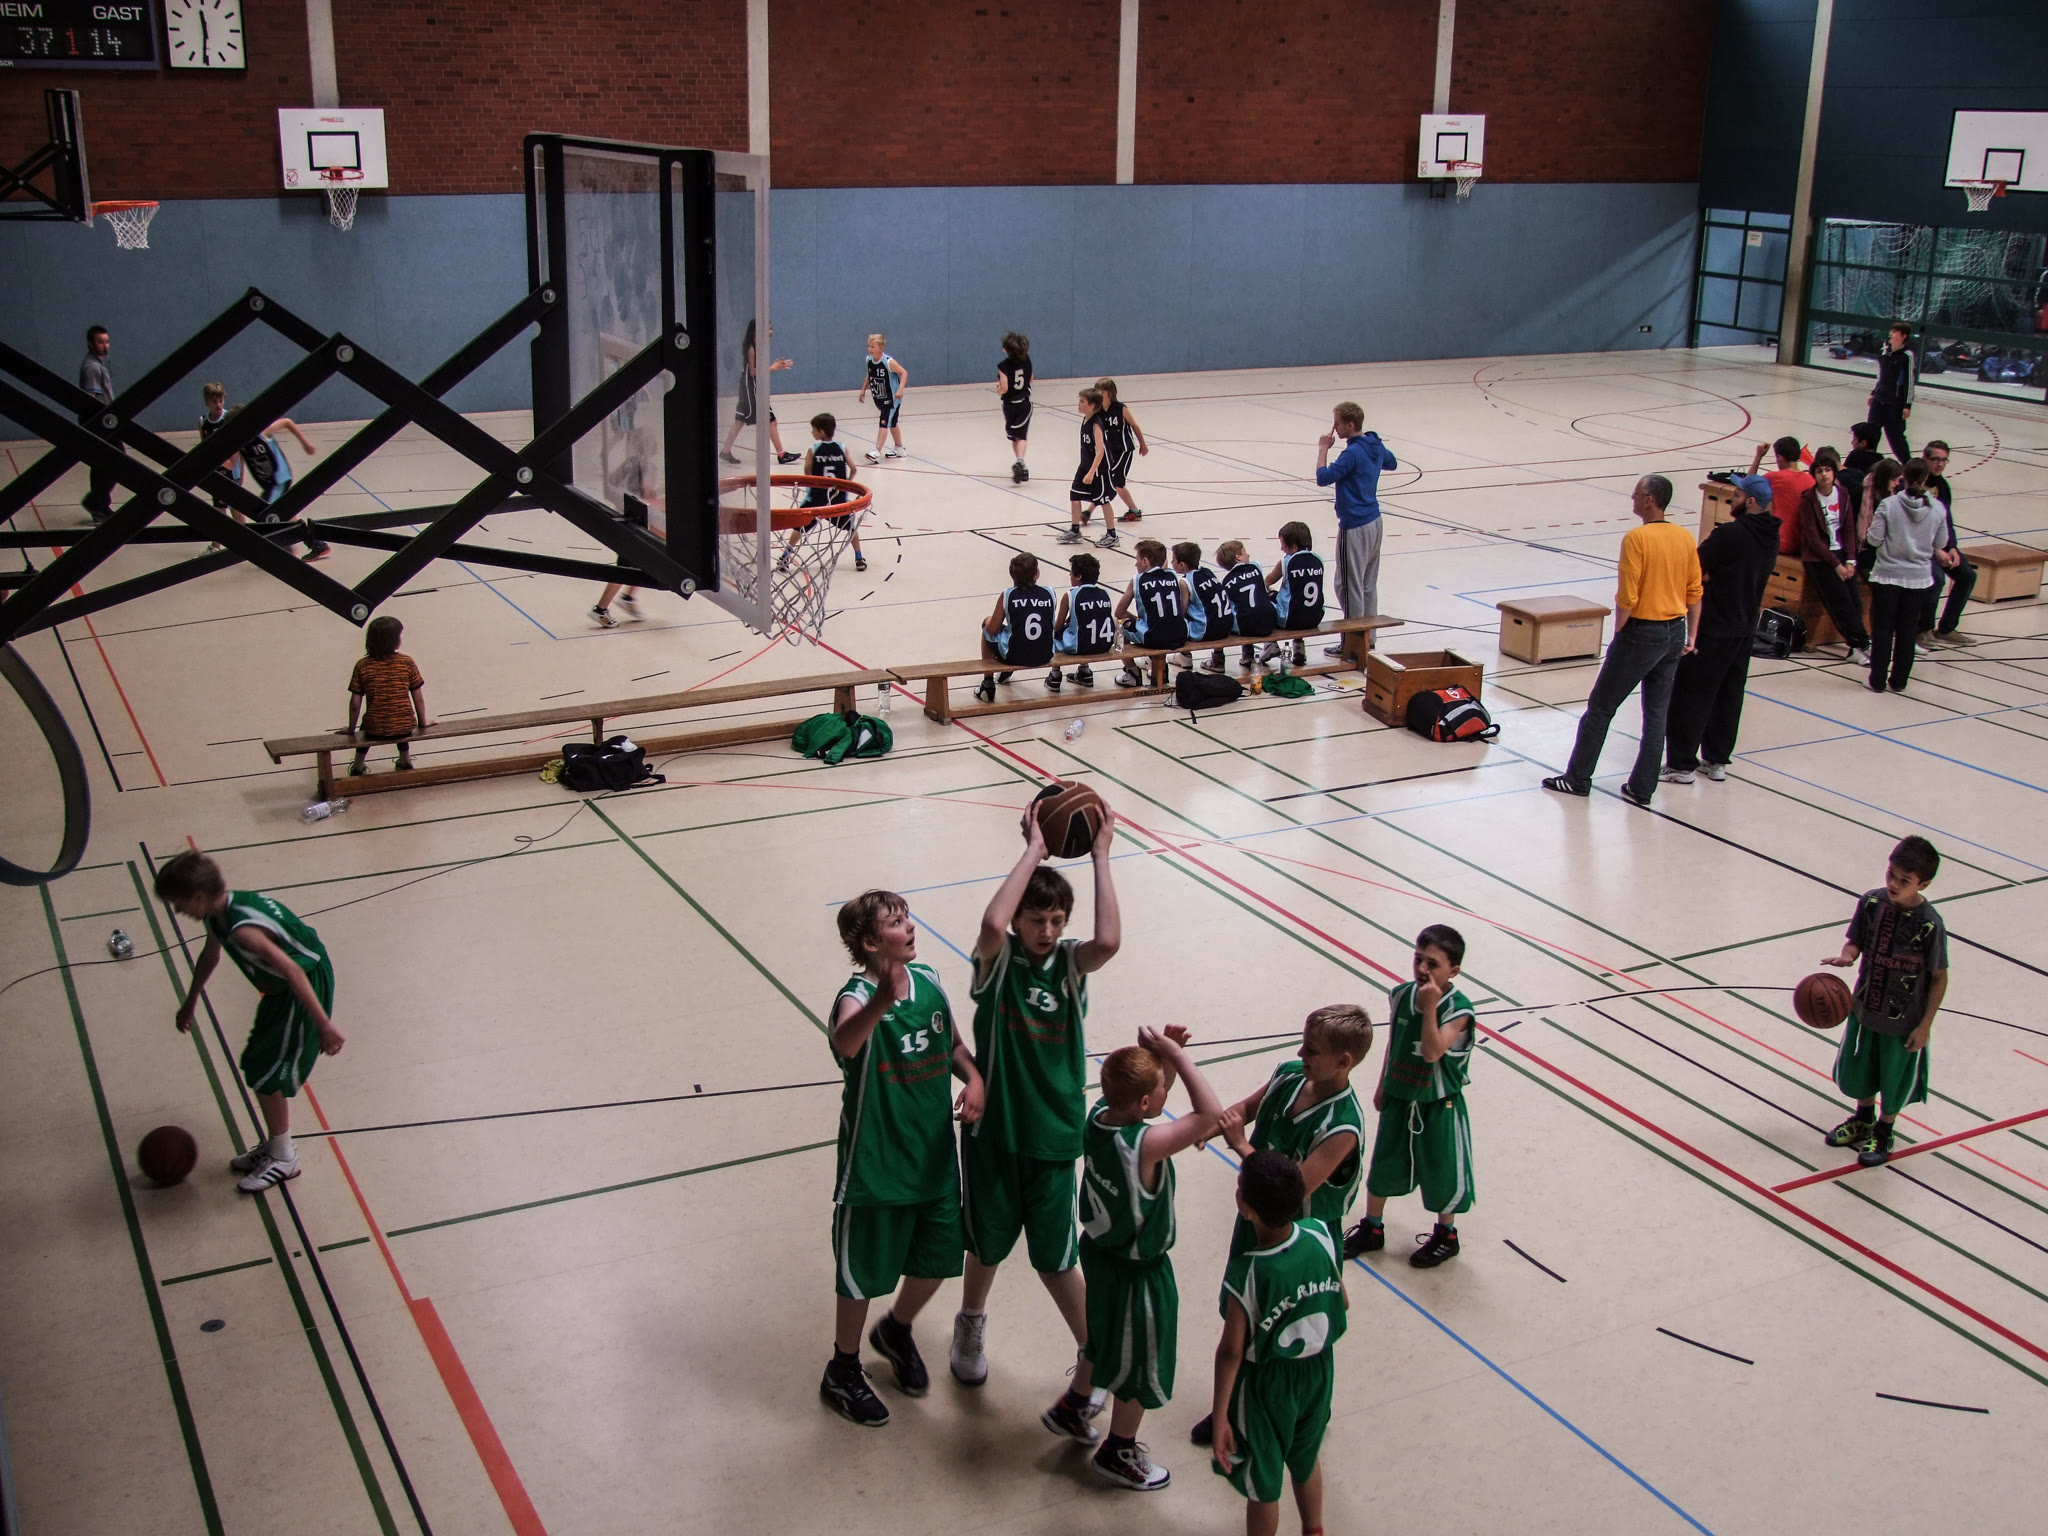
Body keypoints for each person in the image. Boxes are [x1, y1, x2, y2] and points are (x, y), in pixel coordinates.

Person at [952, 806, 1121, 1424]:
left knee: (1056, 1260)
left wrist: (1100, 854)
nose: (1046, 930)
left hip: (1053, 1135)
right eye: (1036, 919)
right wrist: (1033, 850)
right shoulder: (997, 964)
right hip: (994, 1133)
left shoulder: (1072, 964)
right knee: (986, 1245)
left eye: (1055, 920)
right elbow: (991, 922)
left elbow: (1109, 941)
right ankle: (970, 1323)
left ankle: (1094, 1354)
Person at [820, 891, 985, 1427]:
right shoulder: (855, 997)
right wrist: (880, 1003)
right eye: (896, 922)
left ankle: (896, 1327)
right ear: (871, 942)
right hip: (877, 1167)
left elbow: (952, 1046)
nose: (910, 926)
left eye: (907, 917)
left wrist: (975, 1079)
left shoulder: (930, 980)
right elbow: (845, 1043)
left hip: (933, 1160)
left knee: (938, 1258)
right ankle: (843, 1370)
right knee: (861, 1275)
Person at [1190, 1003, 1370, 1449]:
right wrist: (1214, 1127)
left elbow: (1290, 1192)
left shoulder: (1343, 1126)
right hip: (1257, 1220)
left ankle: (1307, 1408)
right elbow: (1246, 1109)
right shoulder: (1289, 1074)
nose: (1301, 1052)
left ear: (1343, 1061)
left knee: (1299, 1328)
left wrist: (1240, 1146)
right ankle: (1234, 1406)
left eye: (1312, 1049)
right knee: (1242, 1317)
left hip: (1304, 1241)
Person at [1068, 1027, 1236, 1491]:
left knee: (1103, 1336)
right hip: (1137, 1271)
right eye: (1161, 1086)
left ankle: (1073, 1405)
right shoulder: (1142, 1146)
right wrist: (1177, 1055)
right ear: (1144, 1103)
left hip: (1100, 1254)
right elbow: (1209, 1115)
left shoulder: (1099, 1116)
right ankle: (1118, 1451)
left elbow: (1148, 1108)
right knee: (1141, 1364)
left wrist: (1156, 1065)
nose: (1167, 1088)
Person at [153, 850, 343, 1193]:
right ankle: (276, 1144)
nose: (179, 912)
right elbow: (210, 956)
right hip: (280, 991)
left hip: (302, 987)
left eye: (179, 904)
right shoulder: (219, 914)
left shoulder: (243, 931)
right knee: (257, 1062)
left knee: (268, 1072)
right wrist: (191, 1000)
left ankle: (284, 1157)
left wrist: (323, 1025)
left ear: (198, 897)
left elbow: (293, 970)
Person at [1209, 1151, 1348, 1536]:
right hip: (1318, 1373)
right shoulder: (1319, 1234)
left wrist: (1220, 1416)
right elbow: (1342, 1300)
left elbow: (1231, 1352)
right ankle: (1314, 1530)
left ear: (1246, 1208)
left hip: (1266, 1386)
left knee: (1263, 1484)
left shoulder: (1247, 1271)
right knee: (1306, 1459)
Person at [1543, 475, 1702, 806]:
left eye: (1636, 494)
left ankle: (1577, 778)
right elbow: (1694, 590)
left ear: (1649, 500)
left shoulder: (1637, 538)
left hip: (1643, 631)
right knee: (1656, 715)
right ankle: (1642, 788)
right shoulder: (1684, 537)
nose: (1632, 498)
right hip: (1675, 631)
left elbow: (1628, 595)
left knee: (1601, 707)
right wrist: (1691, 633)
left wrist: (1620, 632)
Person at [1347, 925, 1476, 1267]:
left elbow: (1432, 1052)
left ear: (1453, 971)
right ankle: (1372, 1228)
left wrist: (1430, 1008)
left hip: (1439, 1103)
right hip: (1401, 1094)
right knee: (1383, 1164)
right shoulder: (1401, 995)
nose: (1421, 968)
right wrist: (1382, 1084)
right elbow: (1396, 1041)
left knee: (1441, 1172)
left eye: (1432, 964)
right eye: (1418, 959)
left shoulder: (1458, 1009)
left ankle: (1446, 1235)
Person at [1819, 835, 1947, 1168]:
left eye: (1905, 880)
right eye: (1891, 874)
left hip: (1903, 1020)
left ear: (1923, 884)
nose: (1893, 883)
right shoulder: (1871, 903)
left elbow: (1939, 977)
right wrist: (1848, 957)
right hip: (1864, 1007)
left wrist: (1925, 1026)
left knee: (1893, 1078)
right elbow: (1855, 941)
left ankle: (1884, 1130)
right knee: (1861, 1069)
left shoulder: (1930, 924)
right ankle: (1863, 1118)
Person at [1661, 473, 1780, 785]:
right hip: (1745, 627)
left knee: (1691, 693)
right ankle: (1716, 760)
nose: (1731, 498)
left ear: (1750, 501)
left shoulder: (1729, 535)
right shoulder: (1771, 536)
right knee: (1729, 695)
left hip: (1714, 626)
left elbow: (1693, 569)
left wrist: (1708, 577)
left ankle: (1681, 763)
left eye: (1737, 495)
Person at [1314, 402, 1396, 651]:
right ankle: (1369, 639)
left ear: (1350, 425)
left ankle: (1352, 643)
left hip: (1355, 525)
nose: (1334, 428)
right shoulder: (1374, 445)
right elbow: (1391, 462)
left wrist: (1323, 449)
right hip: (1374, 521)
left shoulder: (1351, 454)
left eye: (1338, 423)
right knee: (1368, 584)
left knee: (1348, 586)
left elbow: (1323, 477)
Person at [1864, 457, 1942, 694]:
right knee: (1907, 631)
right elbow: (1941, 543)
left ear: (1903, 478)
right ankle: (1899, 681)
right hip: (1918, 576)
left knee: (1883, 629)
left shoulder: (1889, 505)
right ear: (1926, 478)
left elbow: (1873, 539)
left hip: (1888, 574)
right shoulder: (1937, 509)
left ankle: (1877, 680)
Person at [1791, 448, 1872, 668]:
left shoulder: (1843, 494)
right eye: (1819, 471)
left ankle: (1859, 645)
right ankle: (1859, 644)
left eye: (1828, 470)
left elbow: (1849, 529)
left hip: (1842, 553)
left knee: (1854, 599)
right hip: (1819, 557)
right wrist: (1836, 564)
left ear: (1834, 472)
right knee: (1840, 602)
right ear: (1814, 475)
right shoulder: (1809, 499)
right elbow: (1812, 538)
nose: (1824, 474)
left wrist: (1851, 560)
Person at [226, 406, 329, 561]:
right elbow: (232, 464)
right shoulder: (240, 443)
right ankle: (317, 544)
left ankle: (285, 547)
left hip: (279, 479)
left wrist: (305, 443)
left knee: (266, 514)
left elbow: (287, 422)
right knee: (286, 514)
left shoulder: (262, 432)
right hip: (270, 484)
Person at [778, 411, 866, 575]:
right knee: (851, 528)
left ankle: (785, 557)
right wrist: (846, 484)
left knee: (799, 528)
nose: (812, 432)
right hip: (837, 499)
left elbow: (807, 474)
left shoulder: (813, 450)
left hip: (816, 499)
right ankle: (859, 557)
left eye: (813, 430)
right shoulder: (842, 448)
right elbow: (854, 469)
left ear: (821, 431)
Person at [346, 616, 430, 775]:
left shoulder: (362, 666)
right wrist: (423, 722)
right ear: (395, 640)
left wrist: (351, 729)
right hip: (405, 727)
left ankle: (357, 765)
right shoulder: (407, 662)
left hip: (375, 728)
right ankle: (405, 761)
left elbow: (355, 704)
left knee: (368, 724)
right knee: (400, 716)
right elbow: (418, 697)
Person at [975, 551, 1057, 703]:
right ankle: (1007, 671)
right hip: (1045, 654)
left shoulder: (1008, 594)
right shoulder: (1050, 593)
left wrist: (987, 620)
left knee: (987, 629)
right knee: (1016, 630)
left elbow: (992, 629)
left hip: (1015, 655)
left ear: (1013, 576)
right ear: (1037, 574)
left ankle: (988, 684)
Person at [718, 319, 800, 466]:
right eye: (768, 329)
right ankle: (782, 455)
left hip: (750, 387)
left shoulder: (759, 346)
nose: (771, 332)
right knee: (770, 420)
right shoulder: (751, 348)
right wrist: (773, 367)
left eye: (771, 328)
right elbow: (753, 371)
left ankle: (725, 451)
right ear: (757, 331)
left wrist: (775, 366)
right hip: (750, 388)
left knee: (740, 421)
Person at [1917, 440, 1974, 642]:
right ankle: (1922, 629)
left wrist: (1952, 547)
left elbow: (1947, 521)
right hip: (1920, 547)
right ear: (1925, 458)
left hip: (1940, 545)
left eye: (1944, 460)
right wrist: (1935, 550)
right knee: (1936, 579)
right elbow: (1915, 526)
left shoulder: (1942, 486)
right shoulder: (1915, 484)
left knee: (1967, 575)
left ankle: (1947, 629)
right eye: (1935, 459)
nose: (1940, 464)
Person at [1113, 538, 1188, 688]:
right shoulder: (1173, 576)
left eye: (1137, 560)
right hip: (1181, 634)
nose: (1135, 564)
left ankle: (1131, 671)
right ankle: (1162, 669)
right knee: (1164, 623)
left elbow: (1119, 612)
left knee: (1116, 623)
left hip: (1154, 637)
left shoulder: (1137, 580)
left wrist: (1134, 618)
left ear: (1145, 561)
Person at [1050, 551, 1117, 691]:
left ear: (1079, 576)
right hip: (1104, 645)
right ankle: (1084, 672)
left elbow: (1057, 626)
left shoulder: (1070, 595)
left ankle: (1055, 675)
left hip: (1080, 647)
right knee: (1080, 628)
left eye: (1071, 572)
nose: (1069, 574)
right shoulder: (1104, 593)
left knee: (1055, 634)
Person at [1262, 521, 1324, 669]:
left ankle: (1270, 644)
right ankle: (1298, 647)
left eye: (1283, 544)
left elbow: (1267, 581)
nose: (1281, 548)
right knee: (1298, 601)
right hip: (1315, 618)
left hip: (1290, 620)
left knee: (1263, 604)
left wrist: (1268, 589)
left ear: (1294, 546)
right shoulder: (1318, 560)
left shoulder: (1286, 562)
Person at [1060, 388, 1116, 547]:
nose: (1079, 404)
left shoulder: (1096, 424)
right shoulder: (1086, 419)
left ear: (1092, 405)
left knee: (1103, 500)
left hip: (1098, 469)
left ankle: (1112, 535)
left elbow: (1101, 450)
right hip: (1084, 465)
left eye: (1082, 401)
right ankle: (1075, 530)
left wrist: (1091, 472)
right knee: (1074, 495)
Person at [1746, 436, 1813, 557]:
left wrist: (1758, 456)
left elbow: (1747, 485)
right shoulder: (1811, 480)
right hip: (1801, 545)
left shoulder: (1775, 477)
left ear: (1780, 458)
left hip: (1779, 543)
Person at [1172, 540, 1233, 672]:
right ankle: (1218, 658)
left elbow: (1181, 611)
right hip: (1226, 626)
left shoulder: (1185, 581)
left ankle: (1185, 655)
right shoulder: (1207, 572)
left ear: (1182, 565)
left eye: (1173, 560)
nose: (1171, 563)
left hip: (1205, 631)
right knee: (1210, 612)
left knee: (1176, 620)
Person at [1219, 539, 1277, 671]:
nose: (1248, 555)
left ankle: (1248, 653)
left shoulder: (1226, 582)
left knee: (1238, 611)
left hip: (1245, 626)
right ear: (1238, 557)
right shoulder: (1255, 567)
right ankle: (1270, 643)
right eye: (1245, 552)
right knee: (1269, 600)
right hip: (1269, 620)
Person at [78, 324, 117, 522]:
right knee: (115, 461)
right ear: (90, 343)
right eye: (100, 342)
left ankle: (100, 506)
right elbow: (91, 399)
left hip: (106, 422)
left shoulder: (99, 364)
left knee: (103, 465)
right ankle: (96, 503)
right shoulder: (92, 367)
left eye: (107, 341)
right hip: (100, 423)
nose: (105, 345)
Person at [1096, 378, 1149, 523]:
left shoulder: (1120, 408)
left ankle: (1135, 511)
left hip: (1124, 449)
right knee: (1106, 479)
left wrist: (1142, 444)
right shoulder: (1099, 411)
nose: (1098, 395)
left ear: (1110, 393)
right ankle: (1089, 511)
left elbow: (1134, 426)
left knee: (1117, 482)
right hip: (1110, 450)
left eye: (1101, 392)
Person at [1867, 323, 1915, 461]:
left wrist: (1907, 405)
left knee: (1896, 438)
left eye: (1894, 332)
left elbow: (1909, 381)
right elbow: (1881, 376)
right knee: (1870, 434)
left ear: (1903, 336)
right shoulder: (1885, 351)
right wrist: (1873, 392)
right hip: (1878, 400)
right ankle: (1867, 463)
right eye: (1891, 331)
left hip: (1894, 404)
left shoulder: (1907, 356)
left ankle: (1908, 465)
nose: (1890, 334)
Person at [859, 333, 908, 464]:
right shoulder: (869, 360)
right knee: (893, 423)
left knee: (884, 422)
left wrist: (900, 389)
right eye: (869, 346)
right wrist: (863, 389)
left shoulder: (888, 362)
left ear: (881, 347)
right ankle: (899, 448)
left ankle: (877, 451)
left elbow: (904, 372)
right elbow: (869, 374)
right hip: (880, 397)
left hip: (892, 399)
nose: (870, 349)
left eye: (873, 346)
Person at [996, 332, 1033, 482]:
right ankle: (1020, 462)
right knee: (1021, 436)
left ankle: (1021, 462)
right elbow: (1031, 378)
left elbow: (1004, 388)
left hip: (1009, 405)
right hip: (1024, 403)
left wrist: (998, 389)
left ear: (1005, 349)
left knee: (1014, 436)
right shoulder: (1027, 359)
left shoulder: (1003, 366)